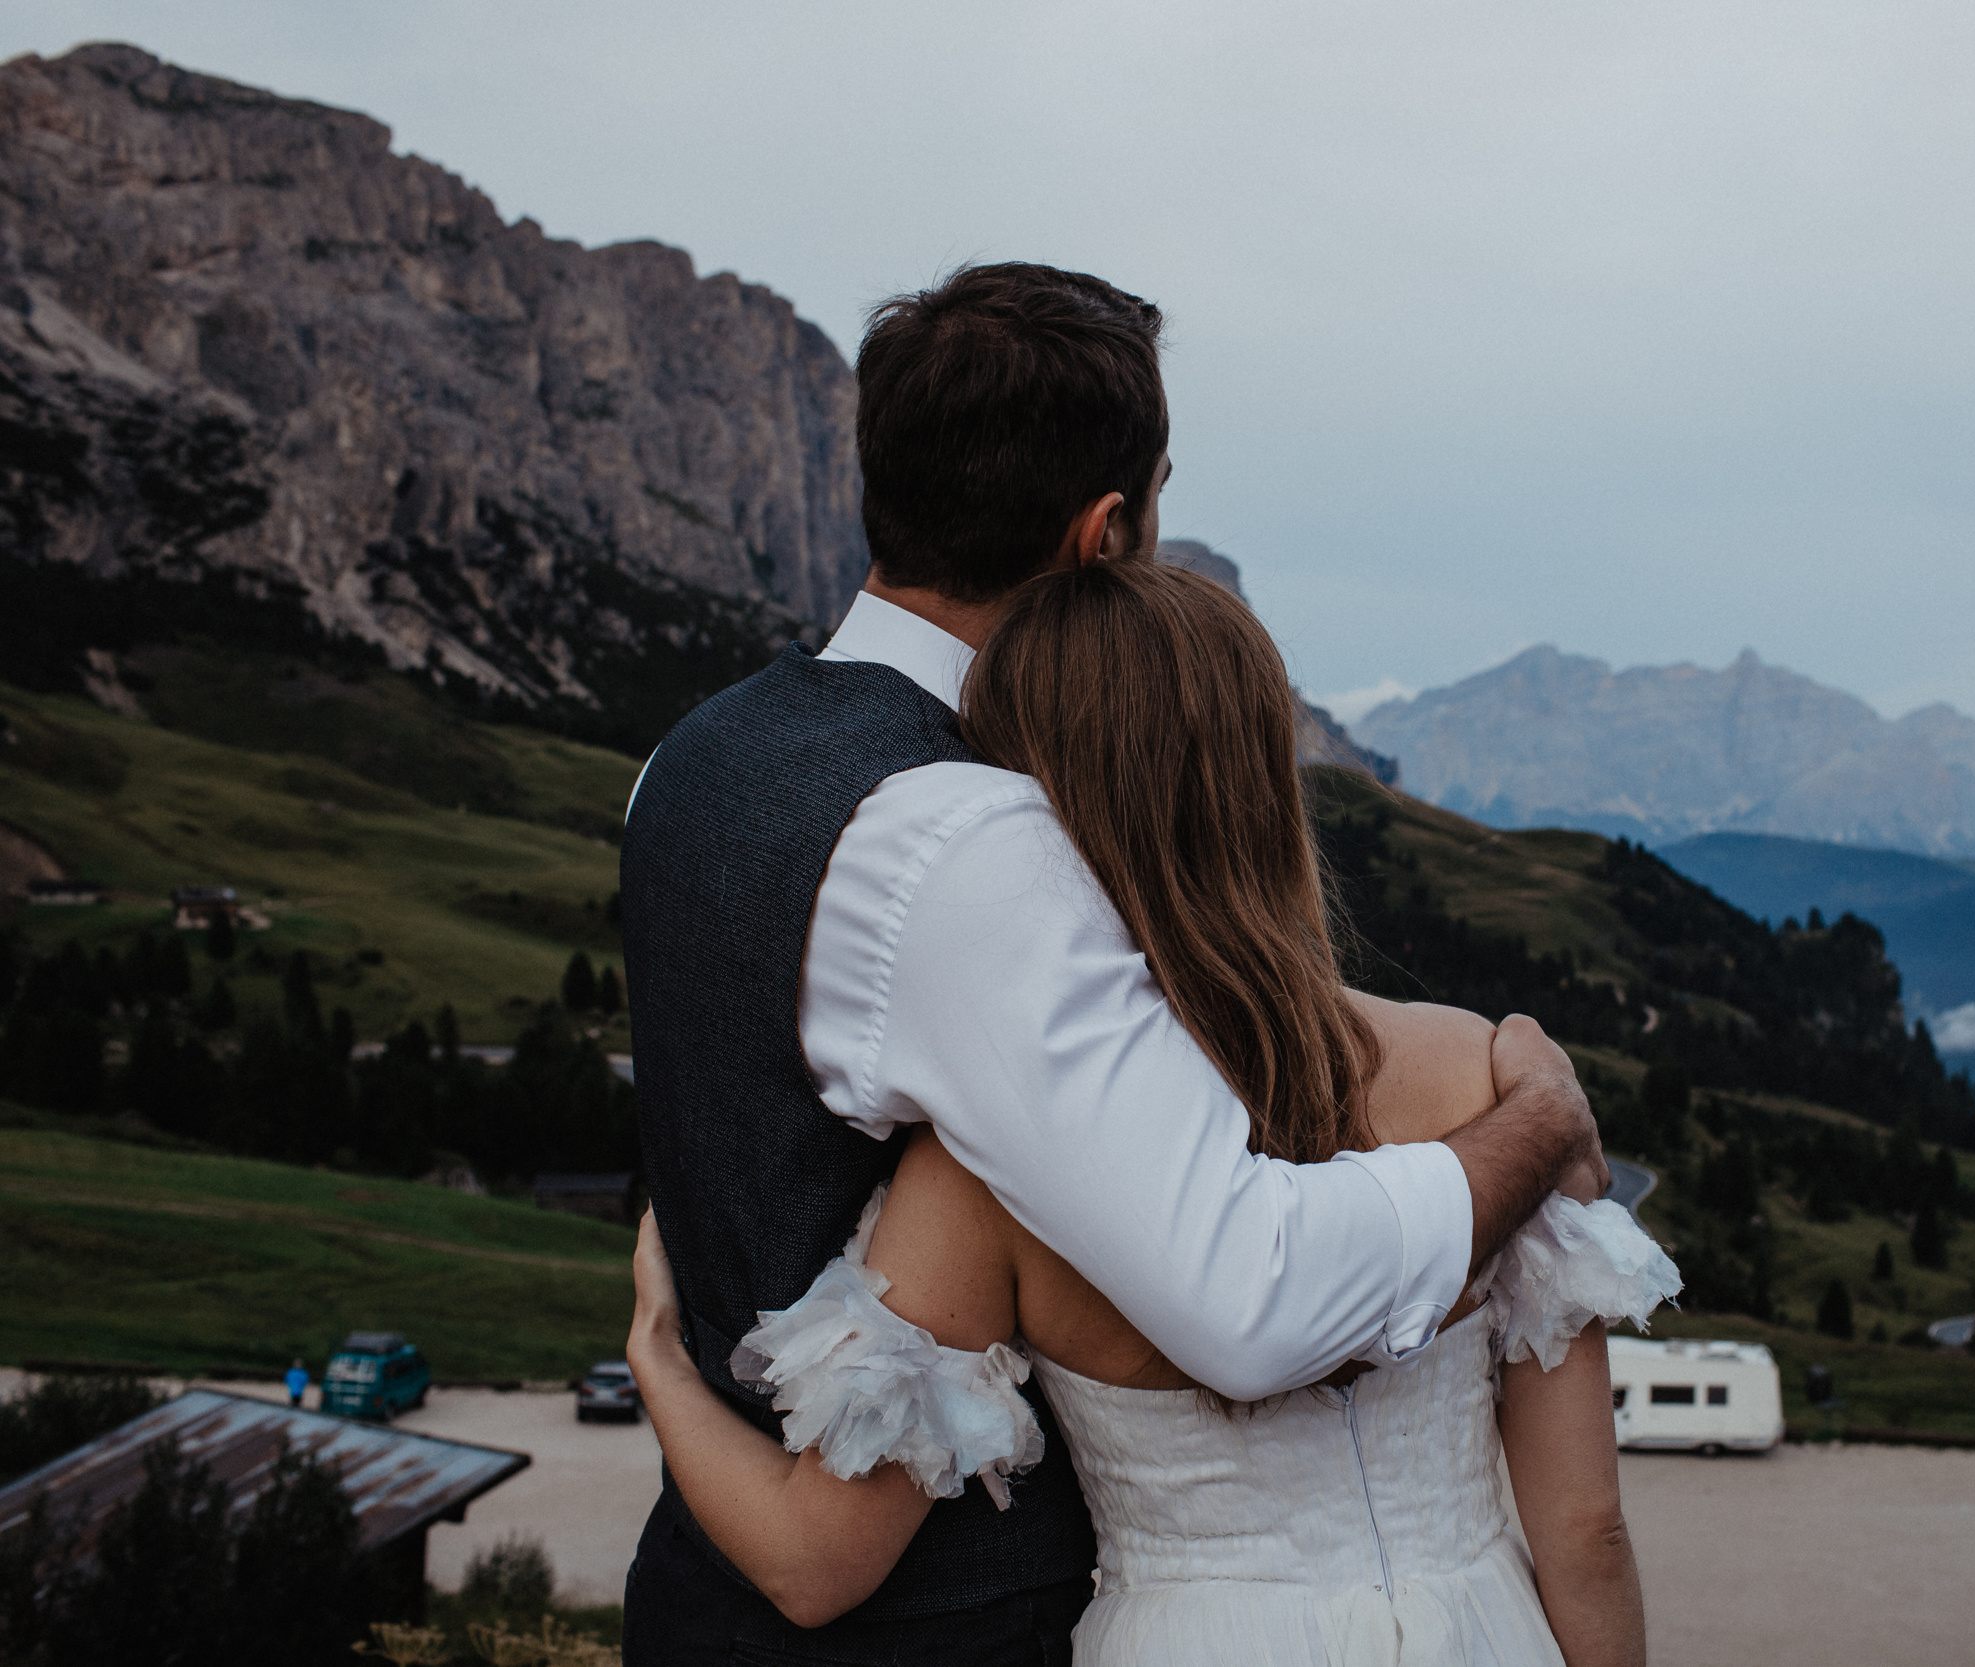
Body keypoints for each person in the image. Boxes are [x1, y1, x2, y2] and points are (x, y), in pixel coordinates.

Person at [617, 262, 1606, 1663]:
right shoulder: (973, 840)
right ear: (1108, 529)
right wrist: (1537, 1124)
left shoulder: (688, 763)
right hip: (946, 1627)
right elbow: (1248, 1297)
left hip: (711, 1591)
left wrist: (659, 1358)